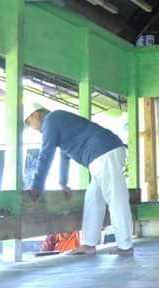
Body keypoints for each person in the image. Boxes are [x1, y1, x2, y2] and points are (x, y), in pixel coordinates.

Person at [25, 106, 134, 256]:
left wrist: (37, 186)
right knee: (92, 198)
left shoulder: (50, 121)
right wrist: (63, 182)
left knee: (116, 198)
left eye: (28, 122)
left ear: (36, 115)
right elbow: (64, 154)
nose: (30, 127)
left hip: (103, 152)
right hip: (103, 153)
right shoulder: (56, 120)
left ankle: (125, 246)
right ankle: (88, 244)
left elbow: (46, 154)